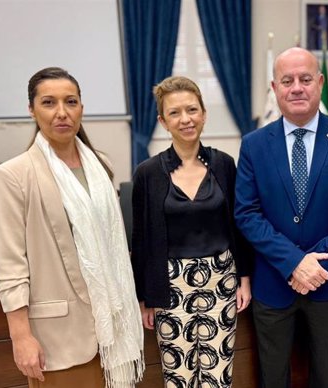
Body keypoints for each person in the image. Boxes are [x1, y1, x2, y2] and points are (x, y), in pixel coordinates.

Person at [0, 67, 144, 388]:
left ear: (81, 108)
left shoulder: (101, 164)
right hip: (59, 337)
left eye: (70, 102)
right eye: (48, 102)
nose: (62, 112)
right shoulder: (13, 176)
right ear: (31, 110)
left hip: (115, 329)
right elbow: (10, 265)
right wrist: (20, 337)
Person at [234, 47, 328, 388]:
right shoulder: (253, 145)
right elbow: (247, 213)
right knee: (273, 376)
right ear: (275, 88)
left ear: (320, 83)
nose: (297, 87)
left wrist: (317, 264)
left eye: (305, 79)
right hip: (274, 283)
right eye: (287, 80)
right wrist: (295, 263)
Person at [131, 75, 253, 388]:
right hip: (169, 287)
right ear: (162, 120)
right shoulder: (147, 172)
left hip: (221, 281)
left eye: (192, 110)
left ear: (203, 114)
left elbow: (238, 225)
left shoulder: (224, 164)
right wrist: (144, 297)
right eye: (175, 113)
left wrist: (244, 279)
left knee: (218, 376)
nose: (185, 119)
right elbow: (142, 239)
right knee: (179, 377)